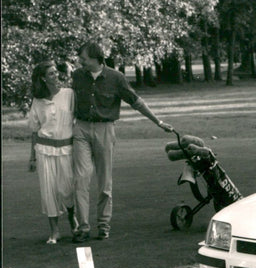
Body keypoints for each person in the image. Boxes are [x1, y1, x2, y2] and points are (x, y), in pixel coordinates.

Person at [71, 42, 174, 242]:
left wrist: (158, 122)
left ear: (95, 58)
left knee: (104, 181)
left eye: (83, 57)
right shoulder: (77, 76)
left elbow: (136, 102)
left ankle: (103, 225)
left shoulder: (115, 78)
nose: (80, 60)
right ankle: (83, 228)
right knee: (80, 179)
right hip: (81, 129)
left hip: (105, 129)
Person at [28, 62, 78, 244]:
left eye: (56, 72)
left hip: (67, 149)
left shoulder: (69, 94)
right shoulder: (37, 101)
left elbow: (77, 120)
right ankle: (54, 231)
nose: (56, 75)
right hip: (44, 151)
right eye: (51, 73)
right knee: (48, 191)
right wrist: (32, 157)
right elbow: (35, 130)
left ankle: (73, 220)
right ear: (43, 78)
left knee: (67, 189)